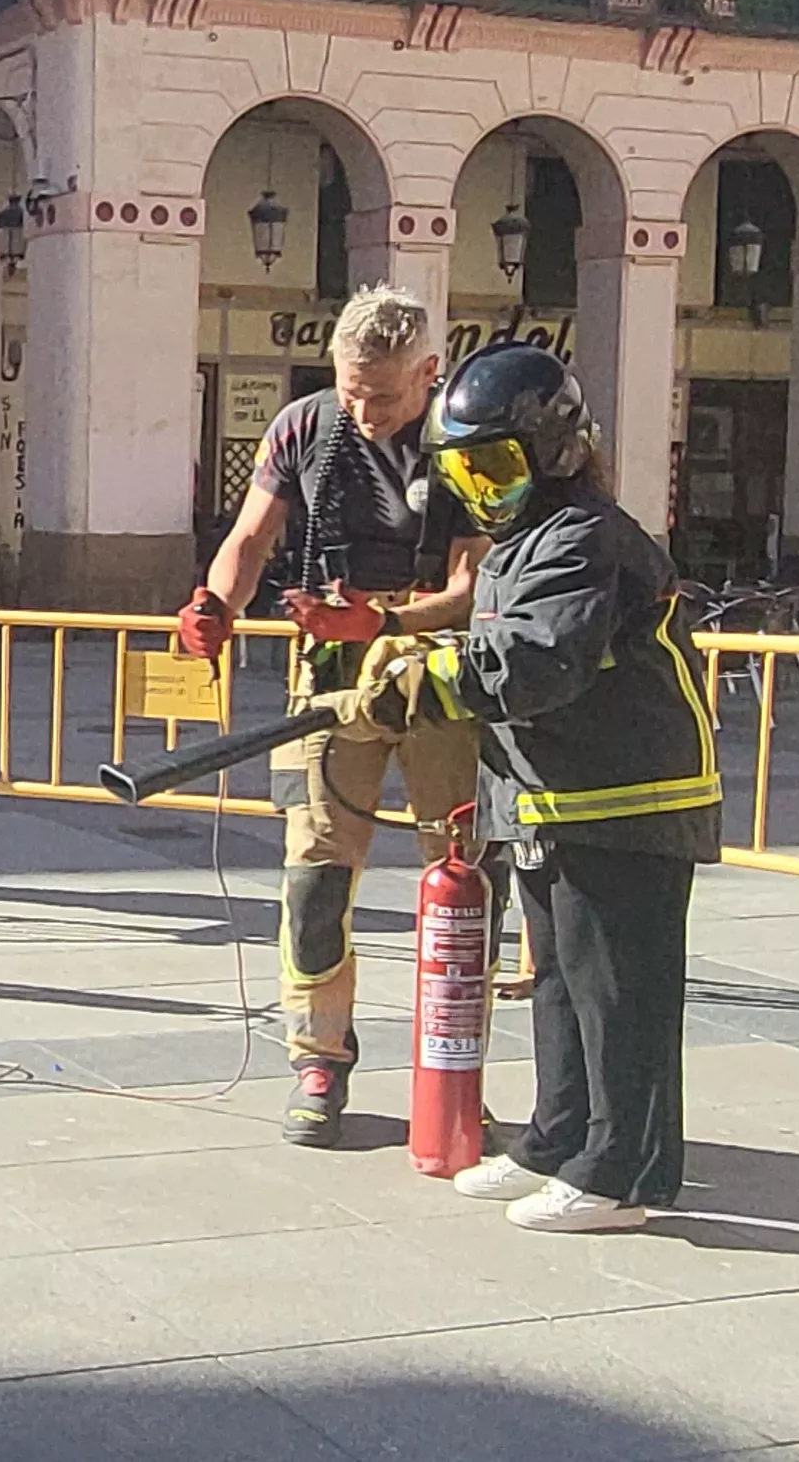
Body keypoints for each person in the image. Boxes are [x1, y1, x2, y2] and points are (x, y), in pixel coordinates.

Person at [334, 344, 721, 1232]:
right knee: (559, 980)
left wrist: (427, 683)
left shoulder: (584, 536)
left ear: (553, 451)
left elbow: (541, 661)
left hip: (627, 800)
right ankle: (559, 1137)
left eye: (496, 463)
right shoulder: (523, 543)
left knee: (619, 992)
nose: (480, 485)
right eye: (464, 468)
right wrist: (419, 652)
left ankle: (625, 1171)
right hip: (551, 796)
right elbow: (493, 646)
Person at [175, 284, 490, 1145]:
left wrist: (387, 621)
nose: (362, 409)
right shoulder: (304, 425)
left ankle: (452, 1069)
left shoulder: (469, 436)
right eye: (350, 389)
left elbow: (472, 586)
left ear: (429, 372)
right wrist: (213, 603)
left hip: (435, 668)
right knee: (312, 875)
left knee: (458, 877)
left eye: (382, 395)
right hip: (329, 666)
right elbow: (251, 537)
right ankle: (316, 1056)